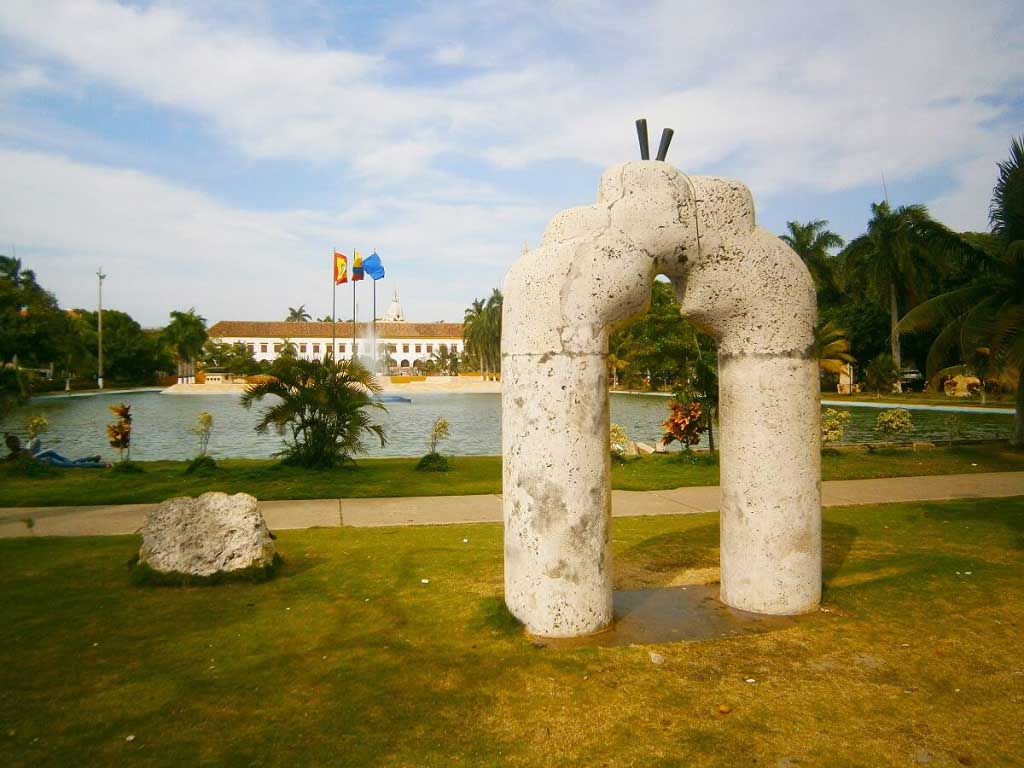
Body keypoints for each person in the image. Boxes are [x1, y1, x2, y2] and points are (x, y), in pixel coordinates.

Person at [27, 436, 108, 468]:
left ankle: (96, 460)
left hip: (49, 459)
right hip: (49, 461)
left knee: (73, 463)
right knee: (74, 464)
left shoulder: (28, 452)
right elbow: (49, 451)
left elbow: (36, 441)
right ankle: (99, 463)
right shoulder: (28, 456)